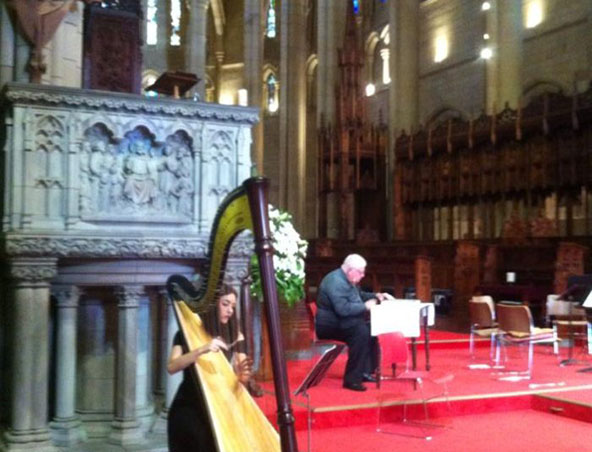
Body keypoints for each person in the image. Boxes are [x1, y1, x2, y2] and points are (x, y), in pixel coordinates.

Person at [167, 284, 252, 451]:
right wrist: (201, 349)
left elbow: (243, 377)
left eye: (233, 306)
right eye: (225, 304)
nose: (230, 310)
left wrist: (243, 376)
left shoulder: (235, 335)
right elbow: (172, 367)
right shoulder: (185, 334)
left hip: (220, 403)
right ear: (213, 305)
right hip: (189, 404)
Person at [315, 254, 388, 391]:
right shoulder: (335, 282)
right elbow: (343, 309)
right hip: (329, 325)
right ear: (350, 270)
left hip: (343, 322)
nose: (363, 275)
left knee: (372, 328)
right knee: (361, 332)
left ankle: (364, 372)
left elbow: (359, 296)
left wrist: (375, 296)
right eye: (360, 272)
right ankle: (352, 380)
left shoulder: (348, 279)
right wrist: (365, 306)